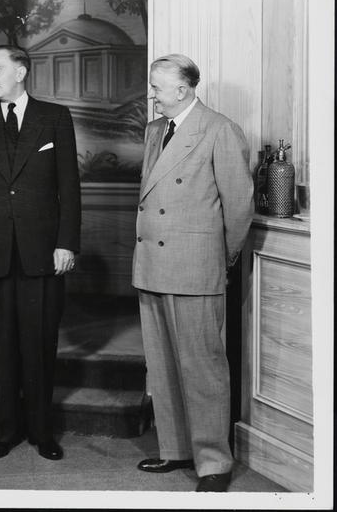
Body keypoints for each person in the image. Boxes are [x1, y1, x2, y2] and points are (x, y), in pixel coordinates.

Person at [0, 45, 81, 461]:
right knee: (3, 344)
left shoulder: (55, 118)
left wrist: (66, 242)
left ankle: (42, 431)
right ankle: (6, 430)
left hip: (43, 251)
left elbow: (69, 188)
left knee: (40, 343)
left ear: (20, 72)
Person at [132, 54, 254, 492]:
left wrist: (219, 261)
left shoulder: (220, 130)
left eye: (157, 88)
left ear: (182, 90)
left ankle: (213, 462)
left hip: (195, 267)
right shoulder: (154, 130)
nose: (152, 95)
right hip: (152, 265)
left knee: (202, 369)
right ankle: (176, 449)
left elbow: (238, 207)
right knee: (163, 365)